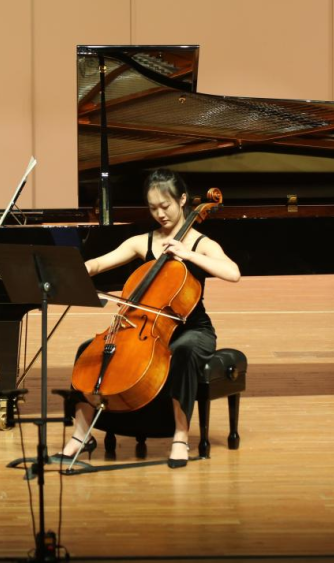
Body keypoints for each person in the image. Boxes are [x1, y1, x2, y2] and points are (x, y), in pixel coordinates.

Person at [59, 169, 240, 468]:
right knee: (86, 351)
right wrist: (78, 270)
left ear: (182, 200)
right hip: (143, 327)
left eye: (165, 206)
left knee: (183, 352)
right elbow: (99, 263)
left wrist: (188, 254)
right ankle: (81, 435)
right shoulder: (142, 241)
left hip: (191, 328)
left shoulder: (200, 244)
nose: (160, 214)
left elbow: (233, 273)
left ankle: (180, 435)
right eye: (153, 208)